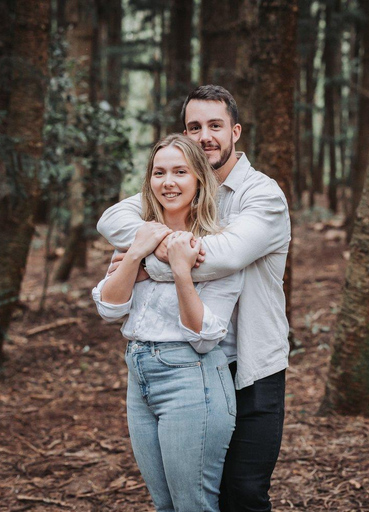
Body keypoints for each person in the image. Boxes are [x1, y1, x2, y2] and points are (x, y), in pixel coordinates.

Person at [98, 85, 291, 512]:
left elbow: (224, 258)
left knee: (243, 494)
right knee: (187, 495)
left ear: (235, 131)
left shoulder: (263, 195)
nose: (205, 136)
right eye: (194, 126)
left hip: (250, 365)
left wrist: (147, 263)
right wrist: (150, 245)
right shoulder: (181, 184)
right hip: (193, 364)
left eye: (215, 126)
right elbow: (114, 219)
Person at [92, 133, 242, 512]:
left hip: (193, 380)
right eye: (159, 173)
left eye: (180, 172)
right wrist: (134, 257)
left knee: (192, 505)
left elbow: (205, 336)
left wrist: (180, 272)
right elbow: (109, 309)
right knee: (165, 505)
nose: (168, 182)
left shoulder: (219, 246)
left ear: (199, 180)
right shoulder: (138, 235)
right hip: (139, 374)